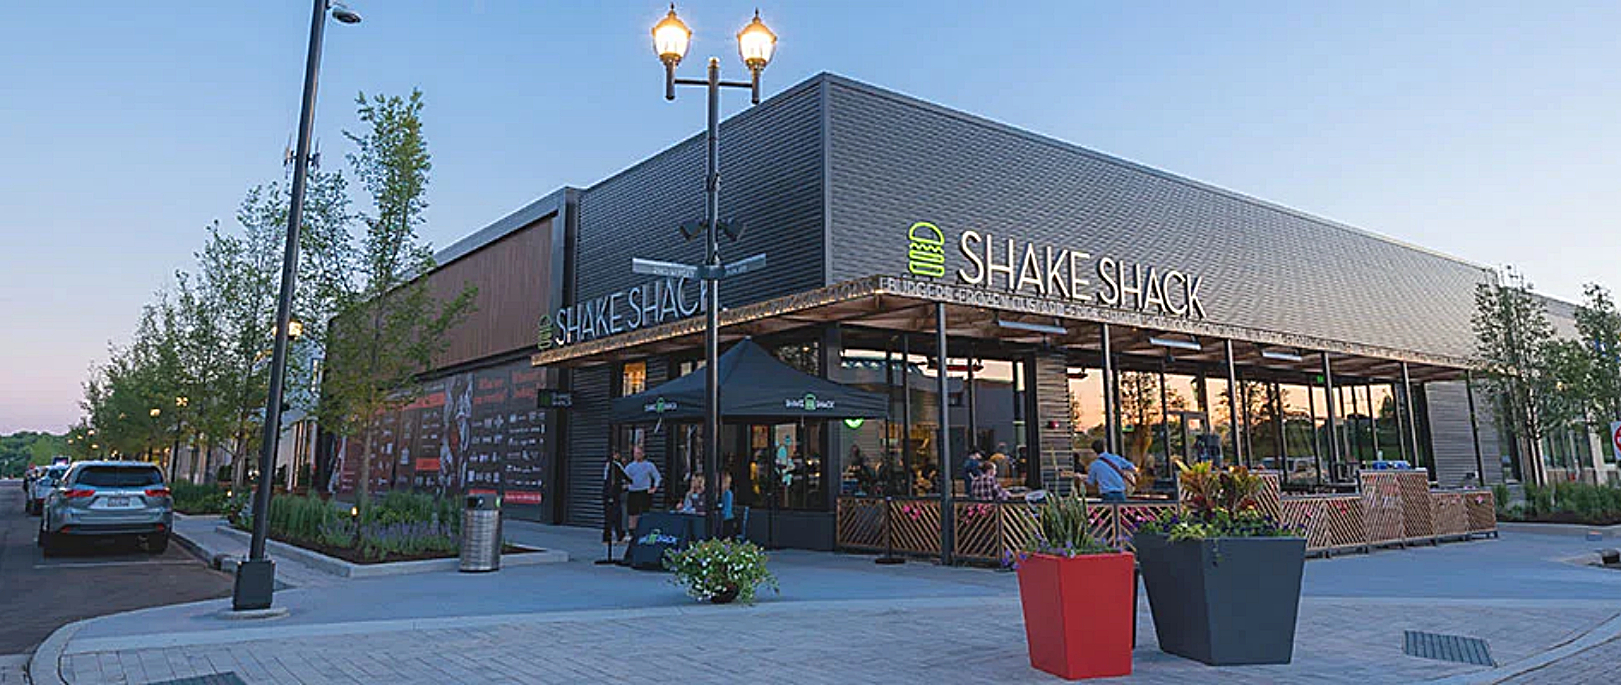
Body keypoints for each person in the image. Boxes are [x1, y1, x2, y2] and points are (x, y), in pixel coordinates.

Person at [623, 446, 661, 532]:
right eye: (635, 453)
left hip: (644, 491)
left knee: (645, 513)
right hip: (633, 491)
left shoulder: (649, 465)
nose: (636, 455)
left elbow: (657, 476)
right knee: (632, 514)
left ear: (643, 454)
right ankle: (632, 532)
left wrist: (654, 487)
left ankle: (644, 530)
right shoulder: (630, 466)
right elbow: (624, 477)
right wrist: (625, 485)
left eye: (638, 453)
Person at [601, 450, 630, 543]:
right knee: (617, 515)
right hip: (613, 493)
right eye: (617, 454)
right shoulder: (616, 465)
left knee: (608, 515)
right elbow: (625, 476)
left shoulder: (608, 465)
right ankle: (620, 536)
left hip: (608, 493)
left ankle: (607, 537)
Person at [719, 472, 738, 538]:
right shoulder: (716, 493)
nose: (727, 485)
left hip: (727, 522)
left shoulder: (728, 494)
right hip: (719, 520)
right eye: (725, 482)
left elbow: (727, 511)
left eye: (728, 483)